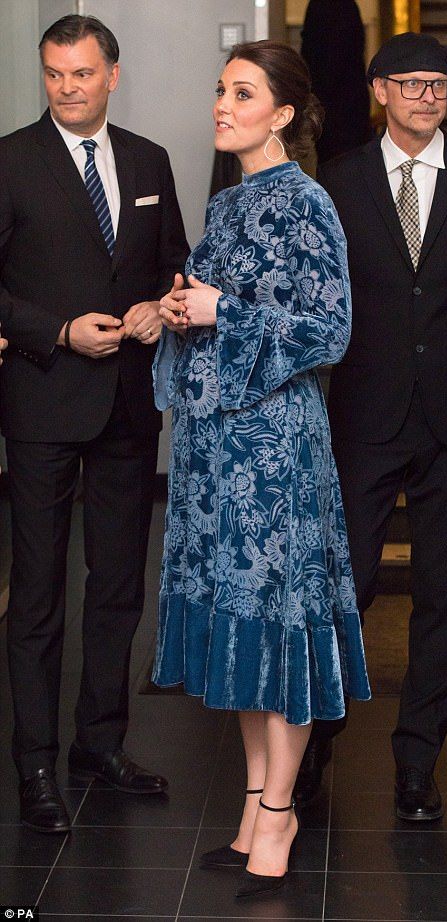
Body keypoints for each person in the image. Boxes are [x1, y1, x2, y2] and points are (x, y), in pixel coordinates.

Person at [152, 40, 370, 899]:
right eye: (219, 90)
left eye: (241, 93)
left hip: (275, 457)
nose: (220, 105)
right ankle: (252, 806)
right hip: (218, 455)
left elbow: (331, 330)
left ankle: (279, 814)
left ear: (282, 113)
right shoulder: (235, 200)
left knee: (278, 631)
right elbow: (226, 318)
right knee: (243, 631)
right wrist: (182, 311)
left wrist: (223, 310)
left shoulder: (304, 202)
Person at [0, 14, 189, 834]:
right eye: (53, 74)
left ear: (112, 73)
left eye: (81, 73)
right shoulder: (9, 161)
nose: (67, 88)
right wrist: (55, 331)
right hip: (42, 398)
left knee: (116, 587)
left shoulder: (149, 160)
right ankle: (34, 764)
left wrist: (159, 305)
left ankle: (98, 743)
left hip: (127, 402)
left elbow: (174, 261)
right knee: (37, 596)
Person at [296, 31, 447, 821]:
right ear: (379, 92)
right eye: (412, 85)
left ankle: (415, 765)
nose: (427, 97)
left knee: (441, 597)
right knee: (348, 589)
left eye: (439, 85)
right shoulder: (336, 184)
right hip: (362, 420)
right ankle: (314, 748)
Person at [301, 0, 371, 163]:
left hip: (329, 101)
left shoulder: (319, 6)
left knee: (332, 164)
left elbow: (310, 53)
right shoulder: (348, 6)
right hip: (351, 101)